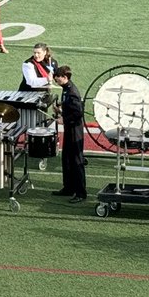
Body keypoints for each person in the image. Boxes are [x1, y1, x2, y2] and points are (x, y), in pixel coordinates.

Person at [51, 65, 86, 202]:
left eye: (58, 77)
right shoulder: (66, 89)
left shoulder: (72, 92)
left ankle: (81, 193)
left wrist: (63, 119)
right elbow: (69, 107)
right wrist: (60, 109)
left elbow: (78, 113)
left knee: (76, 161)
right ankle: (68, 188)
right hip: (69, 129)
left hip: (75, 130)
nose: (55, 79)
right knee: (67, 159)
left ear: (65, 77)